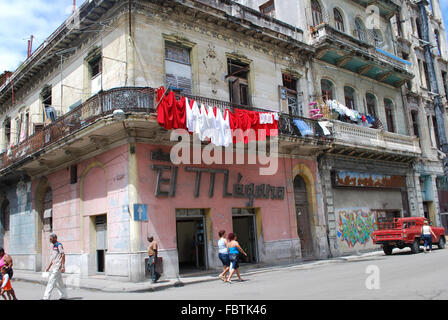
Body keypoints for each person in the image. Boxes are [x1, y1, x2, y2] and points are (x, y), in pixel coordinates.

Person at [43, 234, 68, 300]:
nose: (50, 240)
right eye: (50, 239)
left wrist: (63, 266)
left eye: (51, 239)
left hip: (58, 267)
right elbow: (53, 258)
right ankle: (64, 296)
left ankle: (46, 297)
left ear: (55, 238)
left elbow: (63, 255)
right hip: (54, 266)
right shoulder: (53, 246)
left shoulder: (58, 245)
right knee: (59, 283)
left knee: (51, 281)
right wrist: (48, 267)